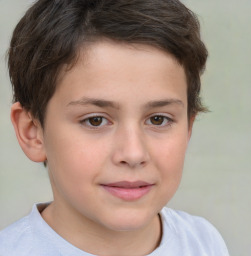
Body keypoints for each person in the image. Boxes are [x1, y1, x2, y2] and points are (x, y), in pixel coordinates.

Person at [0, 0, 229, 255]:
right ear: (32, 132)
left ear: (188, 128)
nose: (133, 154)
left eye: (158, 119)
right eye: (95, 120)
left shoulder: (203, 242)